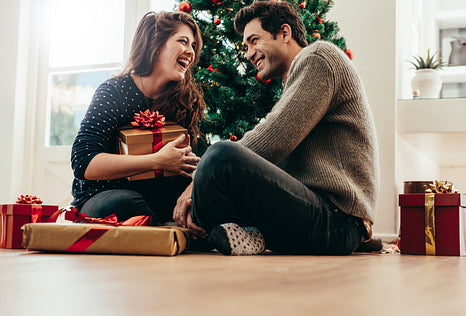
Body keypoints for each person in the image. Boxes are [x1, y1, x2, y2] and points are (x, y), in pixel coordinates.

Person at [173, 0, 380, 255]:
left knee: (220, 156)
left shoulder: (318, 57)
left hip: (336, 219)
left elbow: (273, 139)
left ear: (284, 33)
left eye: (254, 40)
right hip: (320, 213)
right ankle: (231, 233)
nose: (248, 53)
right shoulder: (297, 77)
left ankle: (204, 231)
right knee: (213, 173)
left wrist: (197, 180)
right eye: (246, 46)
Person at [71, 11, 205, 226]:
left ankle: (175, 227)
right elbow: (83, 162)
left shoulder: (187, 100)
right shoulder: (114, 91)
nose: (191, 51)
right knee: (124, 203)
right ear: (156, 43)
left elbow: (197, 164)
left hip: (162, 198)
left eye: (193, 45)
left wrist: (188, 197)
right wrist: (156, 161)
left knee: (203, 202)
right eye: (183, 41)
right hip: (107, 196)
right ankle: (174, 230)